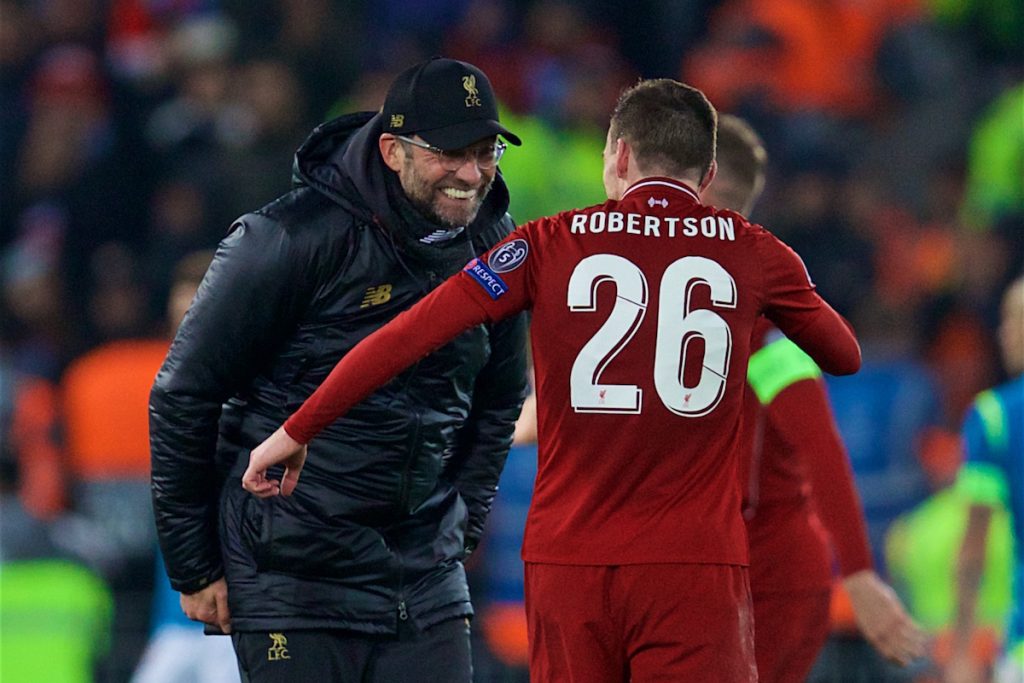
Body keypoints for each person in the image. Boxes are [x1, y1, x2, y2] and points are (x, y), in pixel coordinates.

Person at [245, 78, 862, 682]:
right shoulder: (756, 252)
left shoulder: (547, 242)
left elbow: (406, 336)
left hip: (570, 561)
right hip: (693, 564)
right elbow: (843, 354)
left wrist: (299, 428)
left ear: (617, 156)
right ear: (705, 179)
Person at [149, 57, 528, 683]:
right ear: (391, 150)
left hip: (425, 582)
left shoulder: (495, 245)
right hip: (292, 580)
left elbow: (499, 400)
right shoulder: (285, 239)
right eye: (449, 153)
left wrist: (459, 528)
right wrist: (194, 567)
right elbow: (183, 395)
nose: (471, 173)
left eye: (486, 152)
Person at [704, 115, 925, 683]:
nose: (713, 219)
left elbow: (823, 450)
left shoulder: (770, 340)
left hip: (771, 581)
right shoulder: (667, 321)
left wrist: (857, 573)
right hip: (698, 574)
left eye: (727, 204)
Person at [946, 276, 1023, 683]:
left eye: (1012, 321)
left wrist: (961, 651)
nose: (1003, 334)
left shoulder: (995, 417)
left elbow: (973, 547)